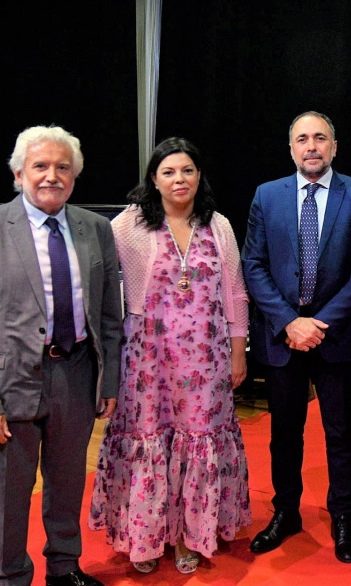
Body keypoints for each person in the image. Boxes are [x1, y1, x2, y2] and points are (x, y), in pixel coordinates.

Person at [0, 126, 122, 586]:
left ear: (75, 176)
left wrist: (109, 384)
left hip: (77, 375)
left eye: (62, 167)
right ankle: (12, 577)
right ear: (18, 172)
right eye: (40, 166)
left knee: (67, 486)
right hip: (10, 386)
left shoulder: (95, 228)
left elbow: (109, 316)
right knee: (10, 495)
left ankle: (64, 569)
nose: (51, 176)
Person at [88, 137, 251, 575]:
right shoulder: (128, 225)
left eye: (188, 170)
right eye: (168, 172)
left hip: (207, 358)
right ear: (153, 180)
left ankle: (187, 536)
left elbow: (236, 293)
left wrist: (238, 353)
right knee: (149, 438)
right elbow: (99, 282)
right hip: (148, 359)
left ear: (200, 176)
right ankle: (144, 536)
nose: (179, 179)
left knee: (198, 440)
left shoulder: (219, 225)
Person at [241, 111, 351, 563]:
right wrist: (288, 322)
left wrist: (318, 324)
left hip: (336, 337)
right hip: (283, 338)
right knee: (285, 432)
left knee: (340, 432)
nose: (312, 146)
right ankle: (286, 513)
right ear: (291, 148)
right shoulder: (267, 195)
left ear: (334, 146)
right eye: (302, 139)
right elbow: (253, 265)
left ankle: (343, 517)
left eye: (320, 138)